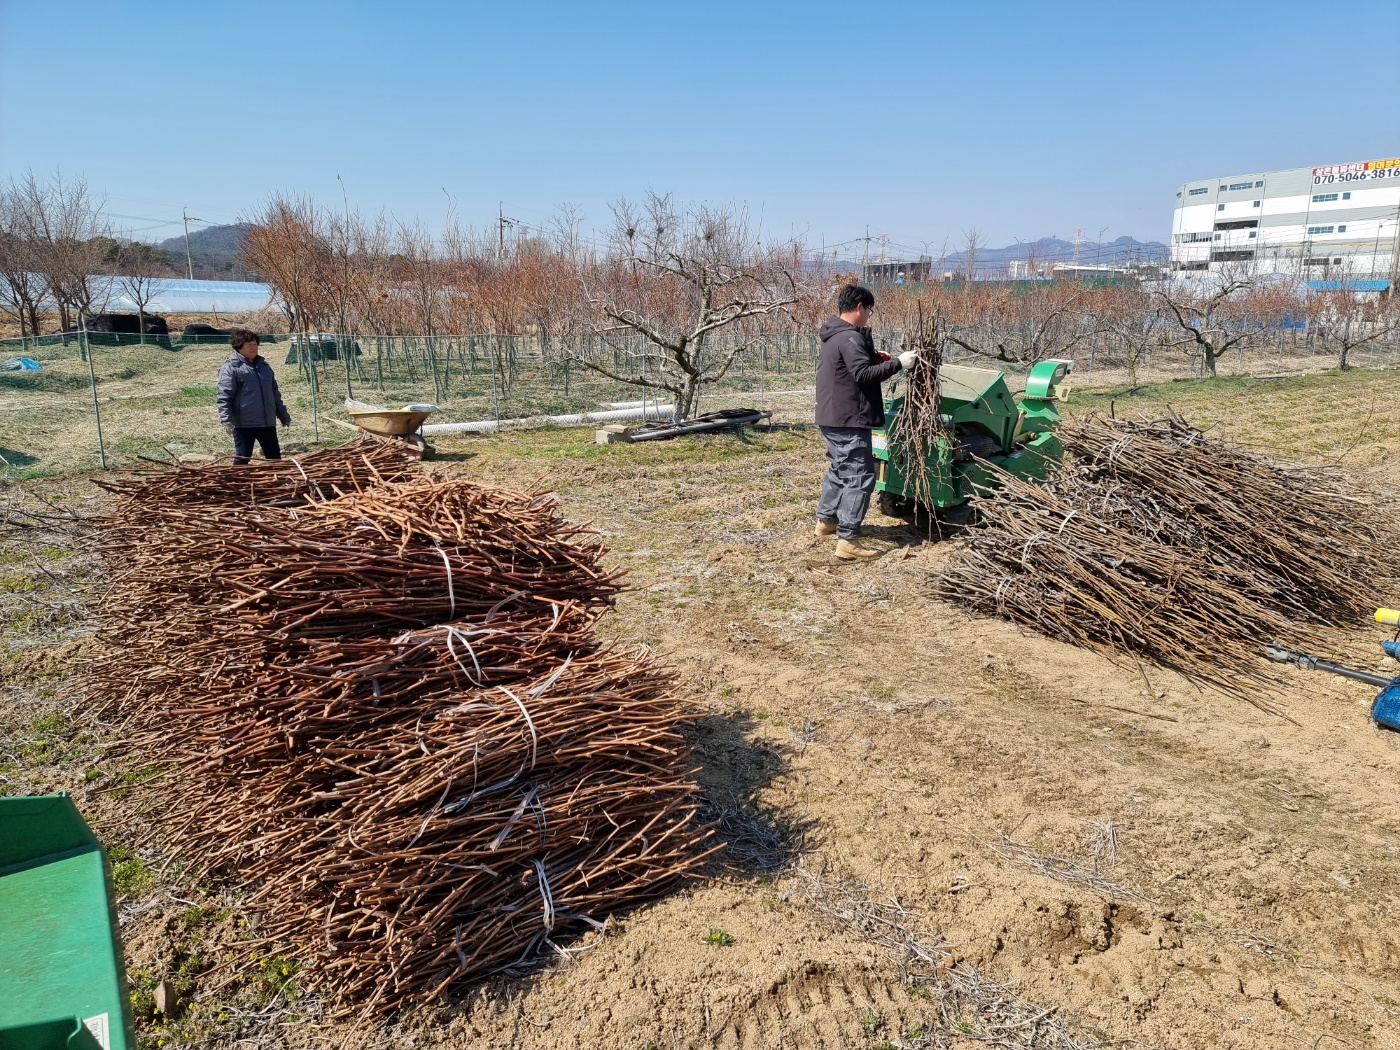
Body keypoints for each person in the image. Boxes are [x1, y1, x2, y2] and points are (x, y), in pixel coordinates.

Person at [814, 285, 918, 559]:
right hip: (848, 417)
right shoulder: (849, 337)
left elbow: (855, 367)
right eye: (869, 310)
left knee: (840, 469)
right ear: (859, 306)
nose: (869, 315)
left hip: (832, 415)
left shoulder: (835, 335)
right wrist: (899, 363)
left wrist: (877, 358)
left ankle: (826, 522)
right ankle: (848, 540)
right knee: (860, 475)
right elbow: (862, 375)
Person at [216, 328, 291, 465]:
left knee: (274, 457)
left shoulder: (264, 367)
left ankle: (276, 482)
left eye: (255, 344)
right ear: (239, 346)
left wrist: (283, 415)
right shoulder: (231, 368)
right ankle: (238, 483)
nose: (253, 347)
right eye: (249, 345)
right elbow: (224, 397)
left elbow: (274, 394)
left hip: (267, 422)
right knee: (243, 458)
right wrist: (226, 420)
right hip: (244, 423)